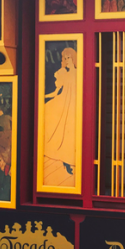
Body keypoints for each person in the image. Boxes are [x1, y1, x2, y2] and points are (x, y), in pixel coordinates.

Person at [42, 47, 78, 188]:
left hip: (74, 106)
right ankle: (66, 161)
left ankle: (71, 161)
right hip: (63, 103)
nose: (67, 60)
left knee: (71, 132)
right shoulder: (62, 73)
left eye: (69, 57)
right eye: (65, 58)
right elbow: (56, 92)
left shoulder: (79, 73)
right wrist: (43, 97)